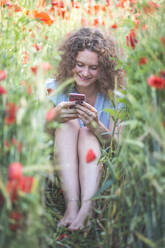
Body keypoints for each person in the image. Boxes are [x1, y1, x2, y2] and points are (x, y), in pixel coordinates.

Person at [46, 27, 124, 231]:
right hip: (62, 161)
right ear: (71, 62)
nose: (85, 73)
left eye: (93, 67)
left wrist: (97, 127)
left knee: (87, 132)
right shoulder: (53, 89)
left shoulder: (115, 98)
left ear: (104, 69)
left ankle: (87, 209)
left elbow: (119, 149)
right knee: (67, 125)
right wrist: (53, 119)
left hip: (98, 165)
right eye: (80, 65)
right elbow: (36, 139)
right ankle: (71, 207)